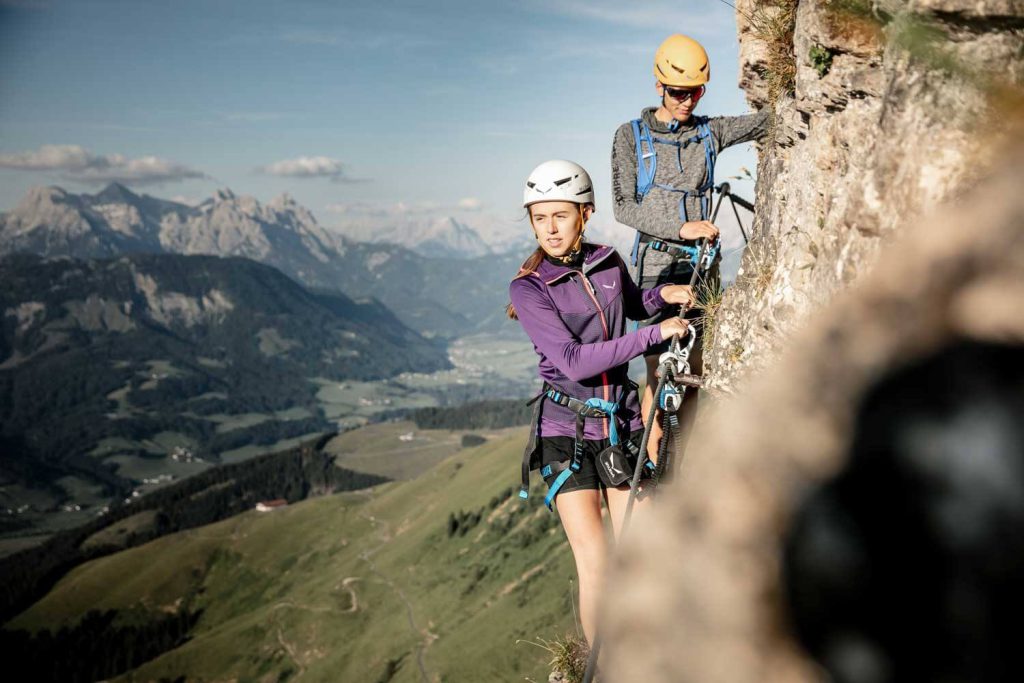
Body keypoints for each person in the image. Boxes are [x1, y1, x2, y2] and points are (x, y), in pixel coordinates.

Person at [508, 159, 694, 644]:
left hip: (621, 425)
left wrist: (663, 297)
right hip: (564, 436)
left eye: (560, 216)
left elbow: (630, 304)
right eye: (539, 218)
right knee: (597, 565)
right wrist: (653, 334)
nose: (549, 228)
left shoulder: (608, 260)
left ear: (584, 214)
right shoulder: (528, 288)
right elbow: (574, 362)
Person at [611, 33, 769, 467]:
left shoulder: (709, 133)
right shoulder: (631, 137)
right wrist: (682, 227)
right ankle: (652, 465)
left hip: (702, 268)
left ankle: (684, 466)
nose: (687, 101)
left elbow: (766, 121)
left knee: (695, 369)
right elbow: (624, 207)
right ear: (658, 85)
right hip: (656, 270)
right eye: (679, 92)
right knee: (659, 369)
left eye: (696, 92)